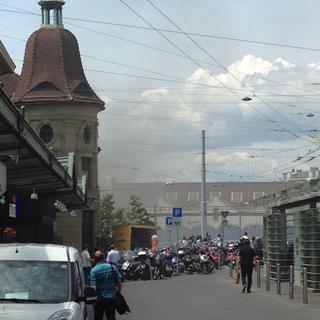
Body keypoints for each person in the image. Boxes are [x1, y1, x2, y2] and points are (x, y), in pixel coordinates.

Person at [90, 251, 122, 320]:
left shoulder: (93, 271)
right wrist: (118, 292)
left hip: (100, 299)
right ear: (104, 258)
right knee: (111, 317)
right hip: (111, 298)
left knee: (98, 318)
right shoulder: (112, 267)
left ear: (94, 260)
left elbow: (93, 287)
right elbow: (119, 281)